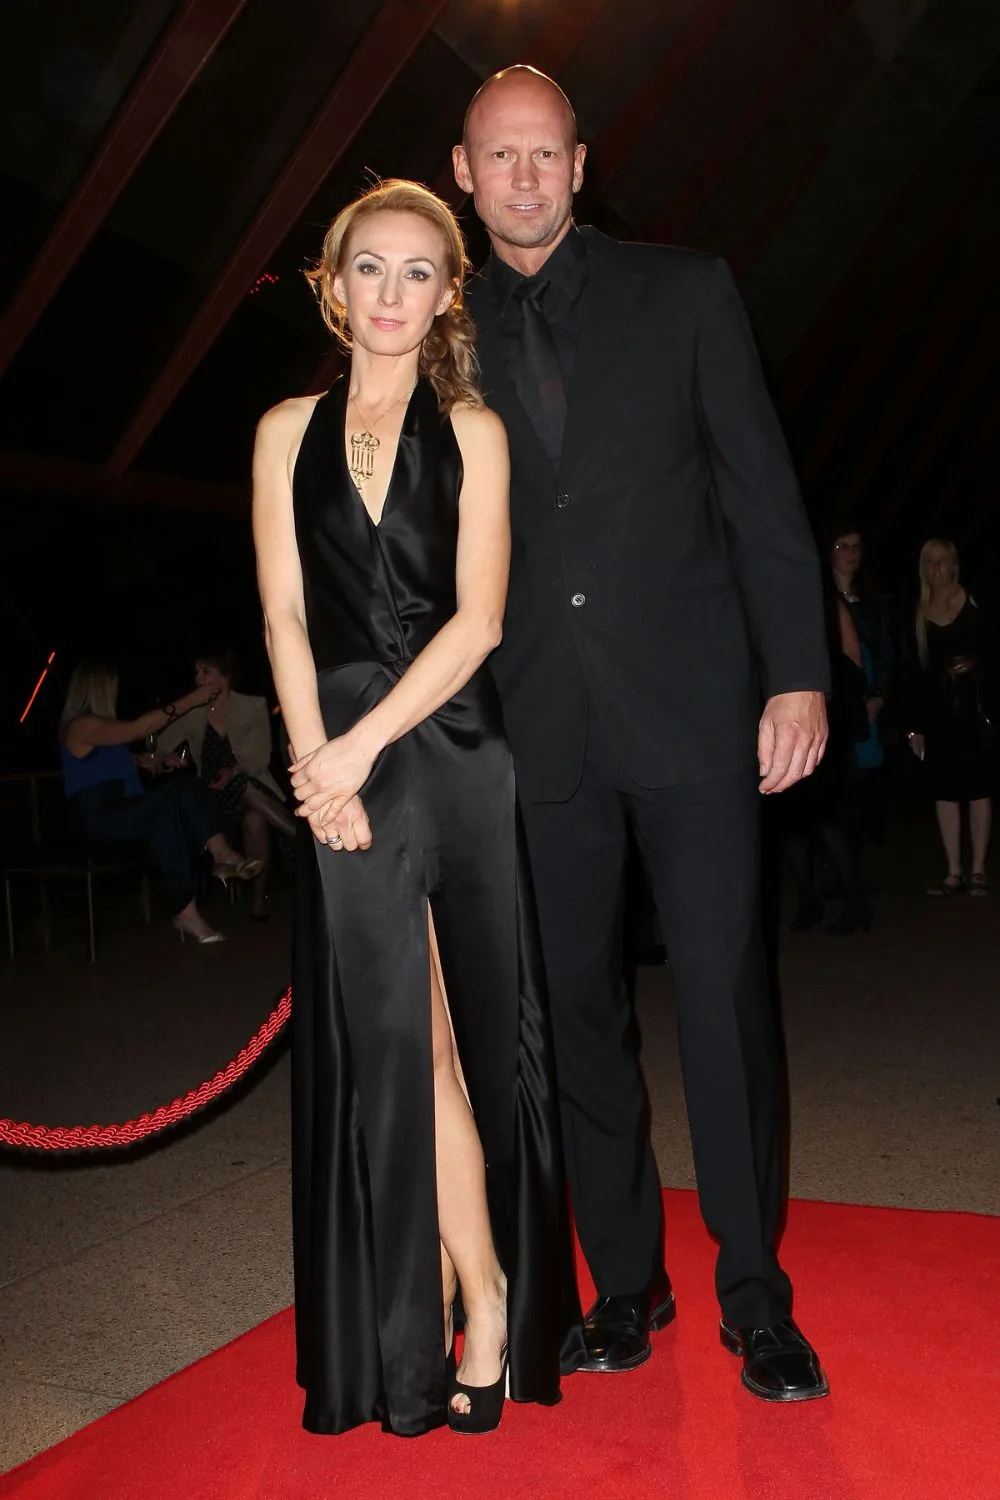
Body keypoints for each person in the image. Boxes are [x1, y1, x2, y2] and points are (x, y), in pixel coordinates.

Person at [454, 66, 831, 1402]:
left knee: (726, 1003)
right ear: (463, 170)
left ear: (580, 160)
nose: (525, 176)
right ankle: (625, 1284)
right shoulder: (436, 334)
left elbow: (761, 495)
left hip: (692, 713)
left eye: (544, 152)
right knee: (575, 1021)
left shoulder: (687, 291)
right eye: (500, 156)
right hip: (536, 729)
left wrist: (797, 673)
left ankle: (755, 1295)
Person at [252, 179, 582, 1437]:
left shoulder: (476, 429)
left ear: (450, 296)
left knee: (456, 1042)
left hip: (445, 746)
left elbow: (480, 621)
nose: (392, 294)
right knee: (396, 1043)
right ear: (334, 286)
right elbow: (283, 609)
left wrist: (354, 753)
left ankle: (483, 1297)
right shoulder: (283, 428)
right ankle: (469, 1291)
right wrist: (309, 759)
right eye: (370, 270)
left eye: (418, 273)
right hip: (336, 750)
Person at [59, 661, 262, 943]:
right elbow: (140, 729)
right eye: (113, 685)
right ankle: (222, 855)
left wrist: (145, 760)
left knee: (165, 817)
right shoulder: (81, 725)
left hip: (128, 809)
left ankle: (187, 913)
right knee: (181, 789)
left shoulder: (100, 730)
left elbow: (106, 762)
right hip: (101, 817)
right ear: (98, 689)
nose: (117, 691)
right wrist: (191, 701)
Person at [156, 649, 297, 920]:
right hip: (211, 795)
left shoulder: (253, 705)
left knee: (255, 819)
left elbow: (261, 758)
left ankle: (258, 899)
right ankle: (304, 839)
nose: (198, 678)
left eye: (205, 672)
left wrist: (234, 771)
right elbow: (161, 746)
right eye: (196, 672)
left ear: (224, 678)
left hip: (250, 783)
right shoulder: (192, 712)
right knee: (247, 796)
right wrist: (171, 757)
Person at [905, 539, 997, 895]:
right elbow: (915, 671)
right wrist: (914, 726)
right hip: (939, 710)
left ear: (954, 564)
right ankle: (953, 870)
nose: (936, 568)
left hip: (974, 707)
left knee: (978, 788)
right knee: (944, 789)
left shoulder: (975, 599)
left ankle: (977, 870)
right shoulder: (919, 609)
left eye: (941, 561)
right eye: (929, 561)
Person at [829, 525, 894, 849]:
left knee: (864, 783)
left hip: (867, 700)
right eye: (844, 546)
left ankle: (853, 863)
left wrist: (879, 695)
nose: (852, 553)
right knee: (838, 784)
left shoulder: (873, 600)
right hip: (835, 701)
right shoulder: (820, 600)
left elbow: (886, 651)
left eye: (857, 547)